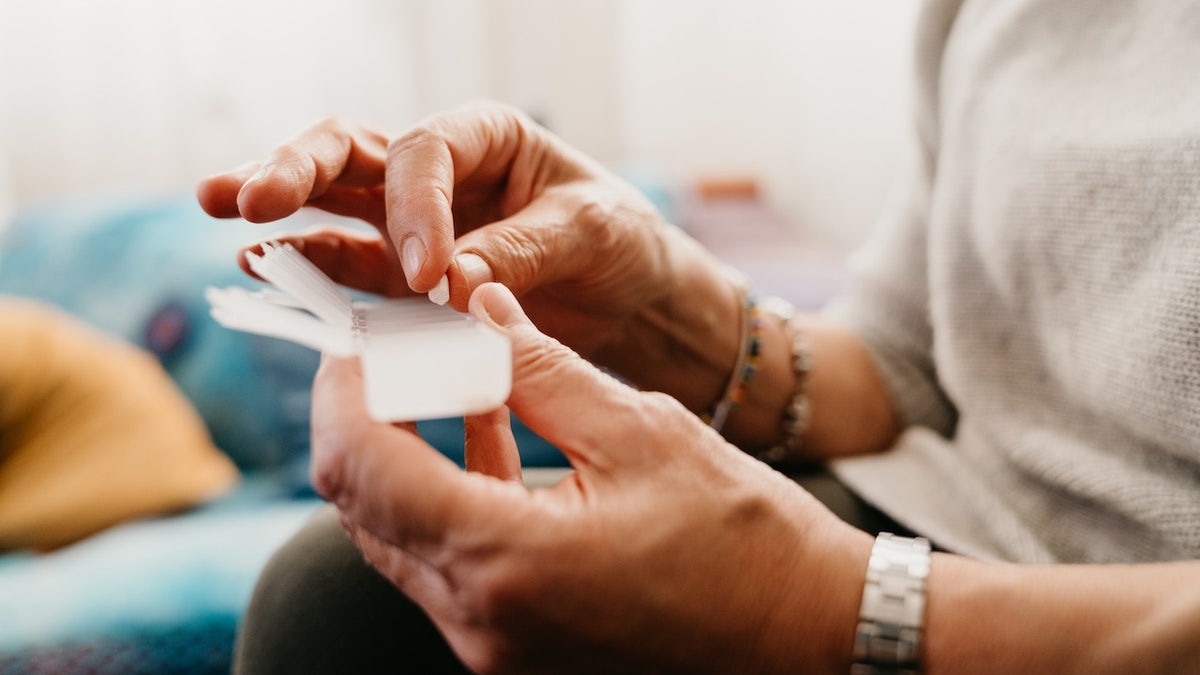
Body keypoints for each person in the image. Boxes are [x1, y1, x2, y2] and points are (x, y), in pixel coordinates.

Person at [197, 0, 1200, 672]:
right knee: (335, 603)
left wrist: (812, 604)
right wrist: (662, 303)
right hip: (936, 529)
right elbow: (915, 365)